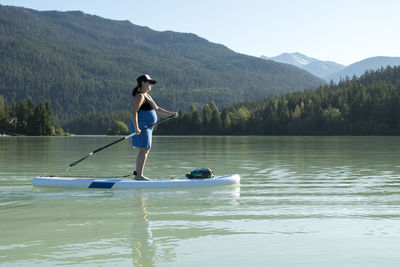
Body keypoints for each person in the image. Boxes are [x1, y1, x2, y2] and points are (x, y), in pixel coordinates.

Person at [130, 74, 178, 180]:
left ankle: (138, 175)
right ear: (142, 83)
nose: (151, 84)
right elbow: (134, 112)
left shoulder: (147, 95)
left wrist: (171, 113)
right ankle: (139, 176)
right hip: (141, 125)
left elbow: (157, 108)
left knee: (145, 149)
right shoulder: (140, 96)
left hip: (147, 126)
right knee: (145, 149)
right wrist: (137, 127)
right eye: (149, 82)